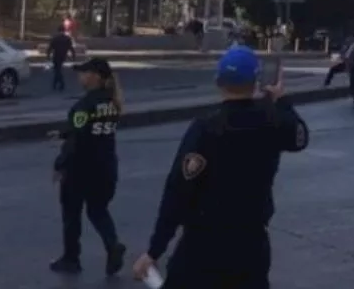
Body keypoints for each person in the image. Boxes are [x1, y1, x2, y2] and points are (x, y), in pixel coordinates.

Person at [131, 44, 310, 288]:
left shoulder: (206, 128)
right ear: (256, 81)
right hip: (250, 245)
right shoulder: (272, 122)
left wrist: (154, 250)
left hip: (202, 247)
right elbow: (300, 136)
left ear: (218, 81)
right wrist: (281, 99)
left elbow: (178, 192)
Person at [50, 58, 126, 276]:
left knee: (72, 214)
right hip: (106, 167)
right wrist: (64, 131)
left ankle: (71, 258)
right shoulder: (113, 103)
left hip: (80, 169)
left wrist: (59, 165)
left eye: (84, 72)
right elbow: (88, 129)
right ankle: (113, 245)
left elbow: (77, 140)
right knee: (98, 209)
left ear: (96, 76)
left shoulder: (83, 105)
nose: (80, 77)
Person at [49, 24, 76, 92]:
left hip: (56, 55)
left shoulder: (55, 38)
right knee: (58, 69)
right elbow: (71, 48)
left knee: (57, 70)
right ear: (64, 31)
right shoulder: (67, 38)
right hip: (63, 55)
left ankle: (61, 83)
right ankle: (55, 84)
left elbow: (50, 47)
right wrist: (73, 56)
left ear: (58, 31)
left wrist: (48, 55)